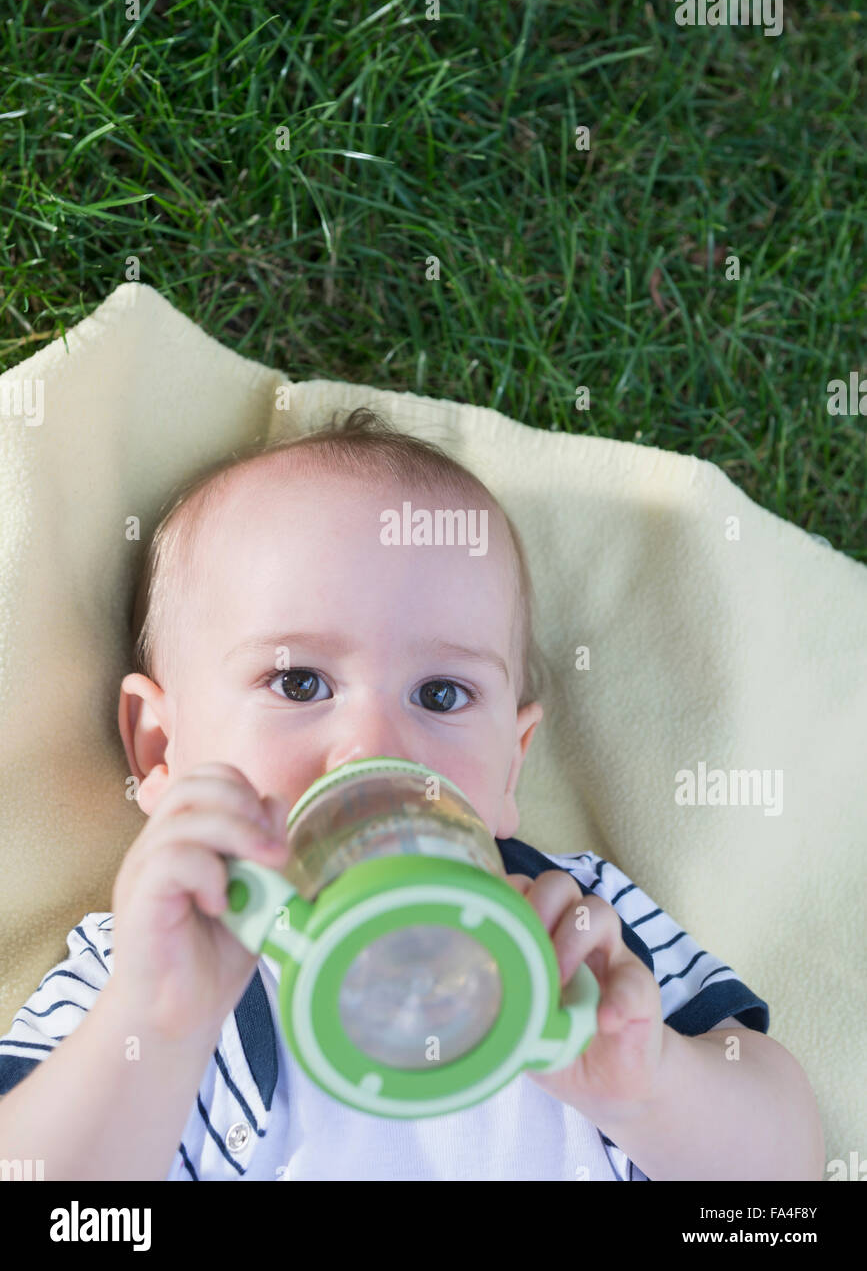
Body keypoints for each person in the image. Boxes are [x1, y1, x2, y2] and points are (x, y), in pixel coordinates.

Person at [0, 407, 824, 1180]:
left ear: (509, 768)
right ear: (159, 748)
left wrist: (649, 1085)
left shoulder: (571, 921)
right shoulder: (150, 959)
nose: (373, 746)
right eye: (297, 681)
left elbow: (780, 1168)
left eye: (439, 695)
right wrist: (157, 1025)